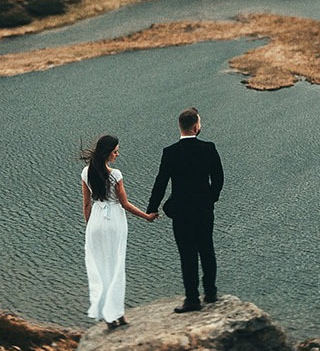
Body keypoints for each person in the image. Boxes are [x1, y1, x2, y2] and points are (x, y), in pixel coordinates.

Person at [146, 107, 223, 313]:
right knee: (207, 249)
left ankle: (192, 299)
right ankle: (211, 292)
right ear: (197, 126)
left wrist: (151, 209)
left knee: (187, 254)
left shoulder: (170, 152)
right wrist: (210, 199)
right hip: (204, 209)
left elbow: (160, 183)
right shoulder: (209, 148)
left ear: (180, 126)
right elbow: (218, 178)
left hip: (181, 211)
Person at [81, 133, 155, 328]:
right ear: (107, 153)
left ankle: (109, 315)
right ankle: (118, 314)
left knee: (102, 268)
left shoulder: (85, 172)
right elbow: (125, 204)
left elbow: (86, 206)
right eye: (115, 151)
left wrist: (90, 229)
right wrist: (146, 216)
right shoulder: (115, 175)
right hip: (113, 222)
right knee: (116, 268)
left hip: (95, 222)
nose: (117, 154)